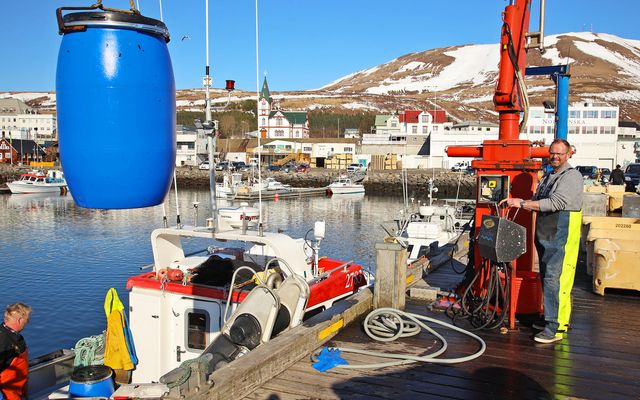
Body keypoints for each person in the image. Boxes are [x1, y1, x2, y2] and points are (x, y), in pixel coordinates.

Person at [500, 139, 583, 343]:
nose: (555, 157)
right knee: (547, 276)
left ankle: (555, 327)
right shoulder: (550, 175)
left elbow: (557, 202)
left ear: (569, 154)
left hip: (561, 234)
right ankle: (549, 319)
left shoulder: (571, 176)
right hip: (548, 234)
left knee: (556, 279)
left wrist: (521, 203)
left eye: (560, 154)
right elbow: (540, 198)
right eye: (552, 153)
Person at [0, 303, 32, 400]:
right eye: (27, 319)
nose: (28, 322)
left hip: (18, 391)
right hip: (8, 395)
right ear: (19, 320)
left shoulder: (15, 337)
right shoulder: (3, 342)